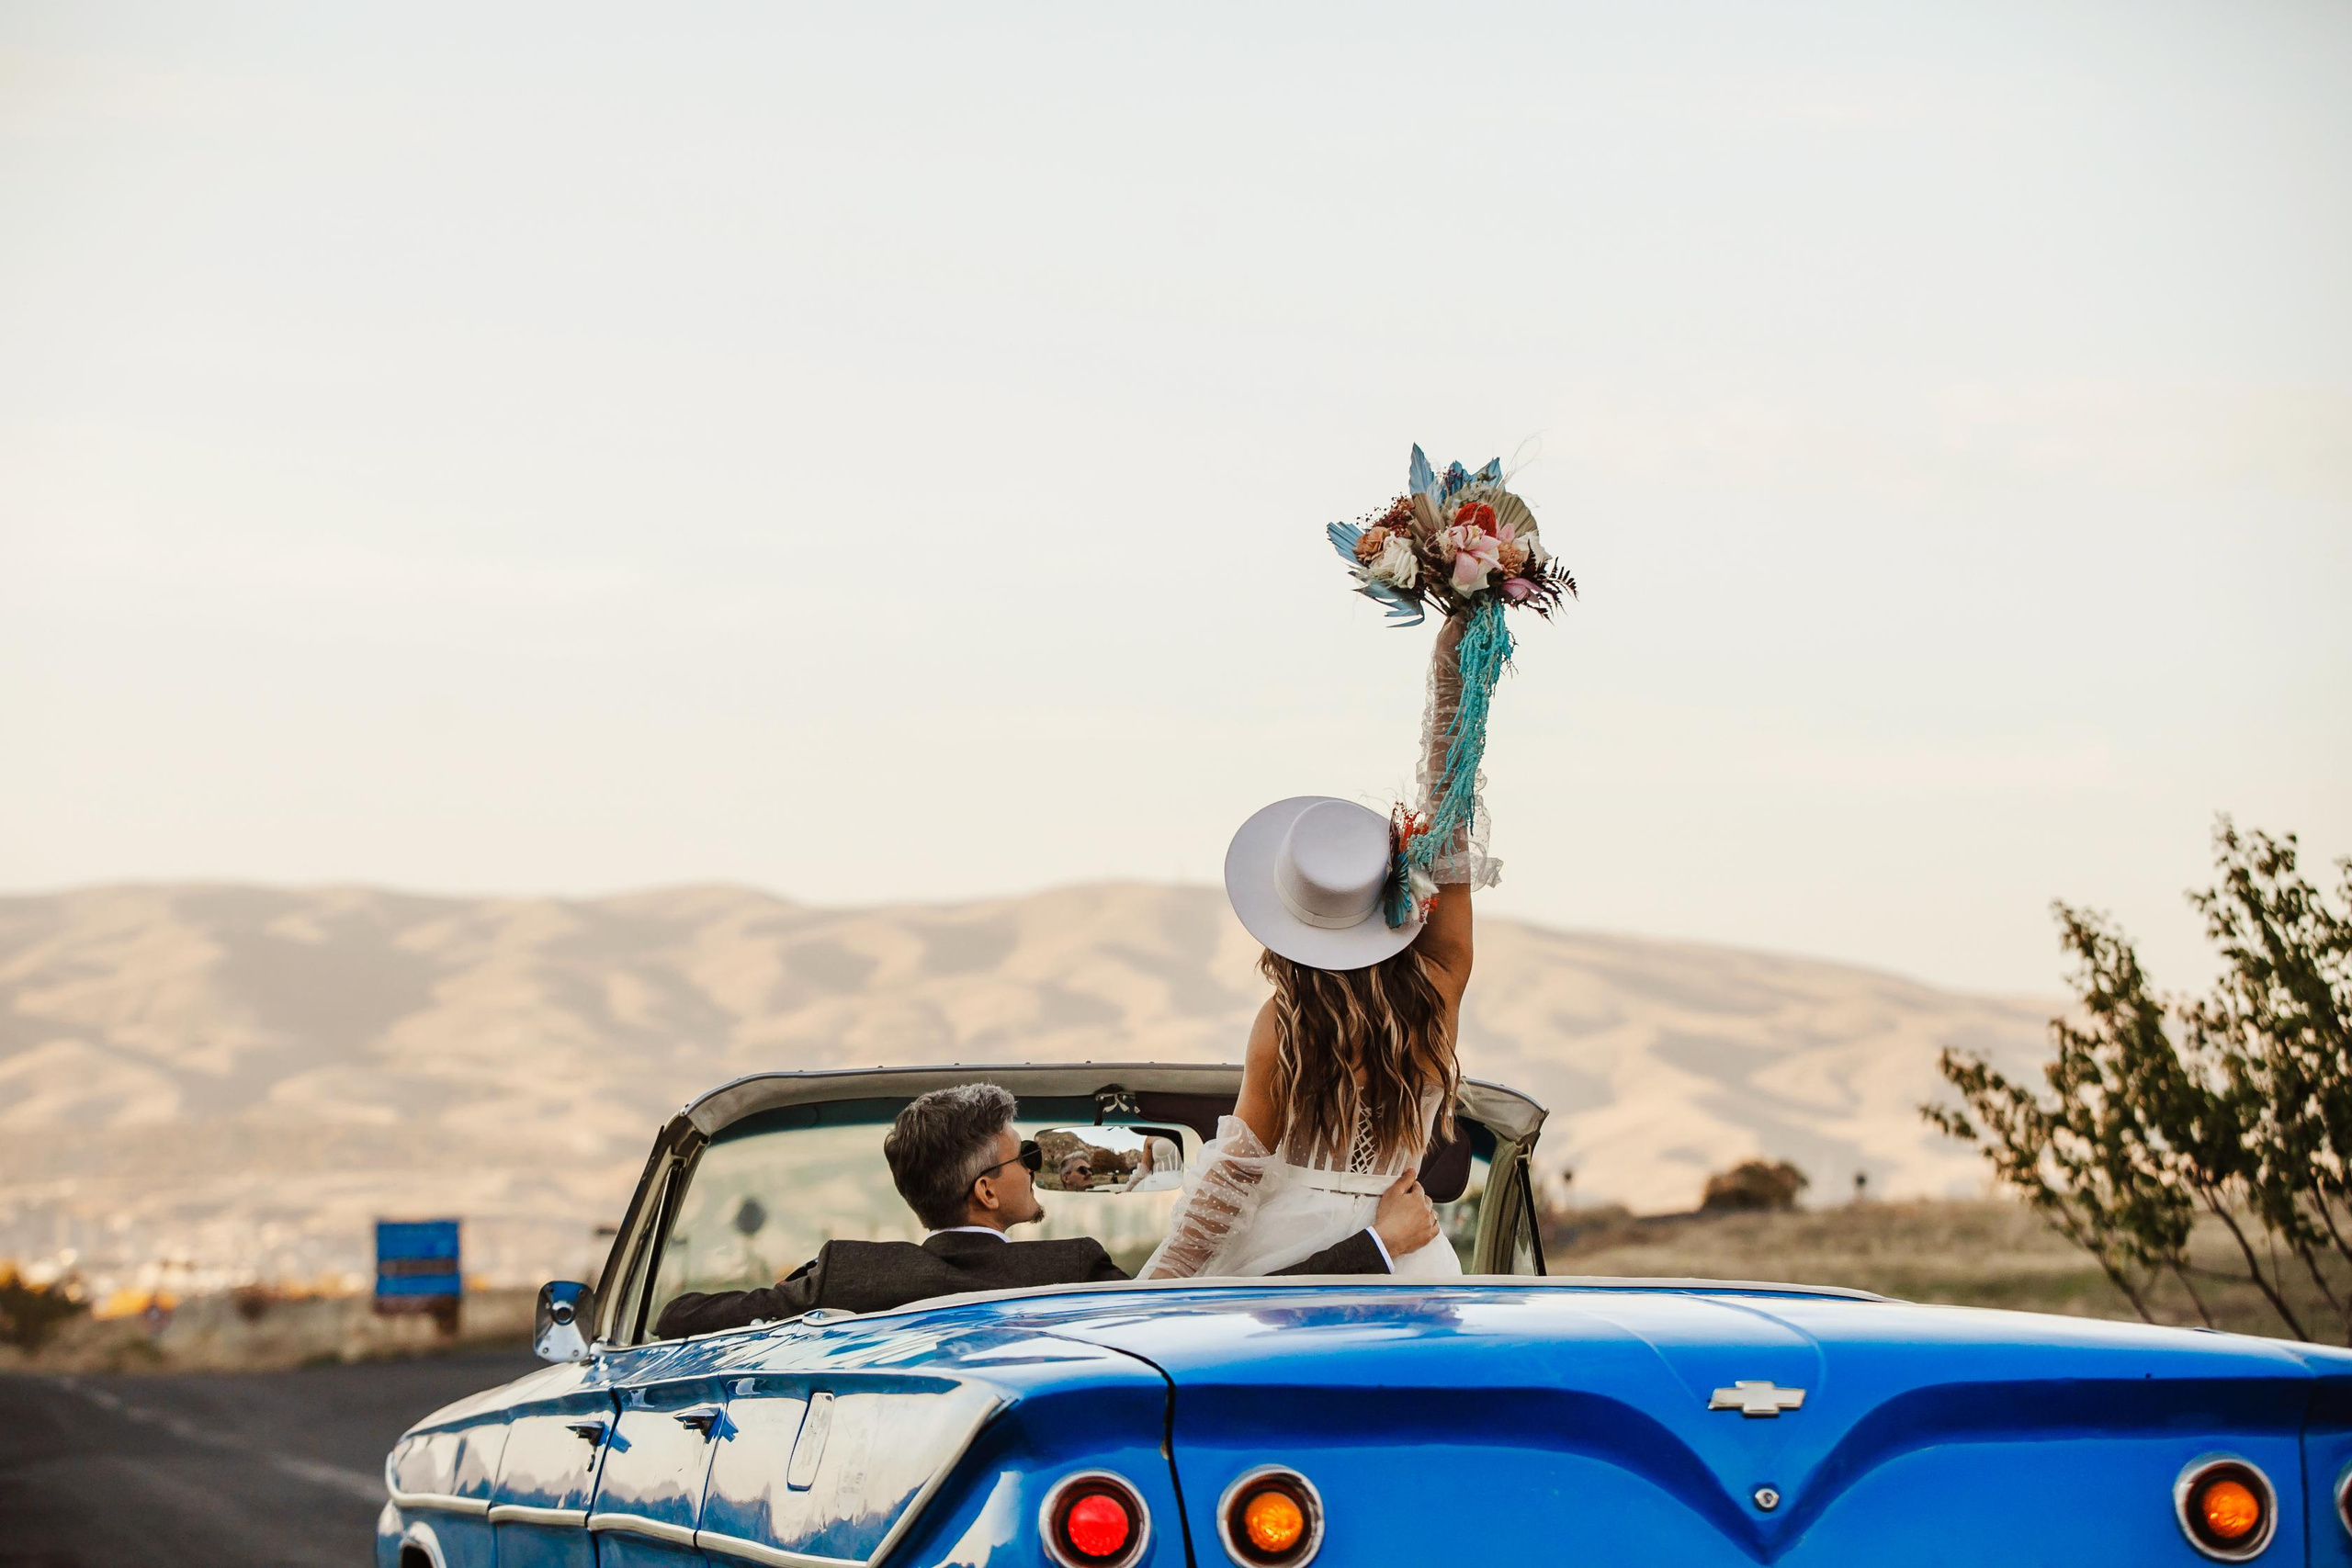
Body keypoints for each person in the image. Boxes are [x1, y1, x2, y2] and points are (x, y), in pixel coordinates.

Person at [1140, 612, 1487, 1280]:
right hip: (1411, 1253)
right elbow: (1451, 830)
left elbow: (1226, 1188)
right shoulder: (1436, 989)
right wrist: (1455, 672)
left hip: (1291, 1250)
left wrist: (1143, 1298)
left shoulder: (1286, 1026)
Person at [653, 1082, 1437, 1337]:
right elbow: (1223, 1315)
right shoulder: (1069, 1269)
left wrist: (804, 1300)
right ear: (988, 1192)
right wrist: (1377, 1240)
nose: (1036, 1168)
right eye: (1022, 1157)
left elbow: (684, 1316)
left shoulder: (850, 1274)